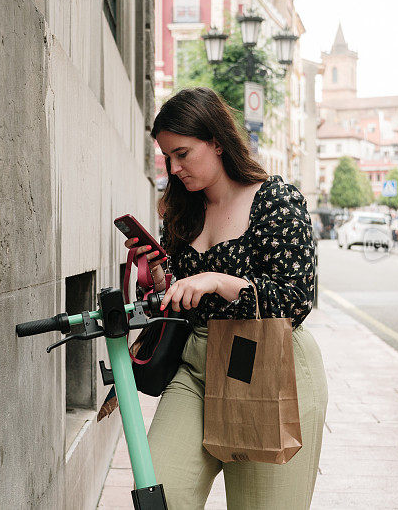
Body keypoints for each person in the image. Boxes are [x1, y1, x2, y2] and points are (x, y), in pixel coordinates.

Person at [125, 87, 328, 509]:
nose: (175, 168)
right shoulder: (184, 210)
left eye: (183, 153)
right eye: (168, 157)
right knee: (161, 494)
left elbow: (295, 300)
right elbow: (181, 296)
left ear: (217, 142)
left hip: (270, 364)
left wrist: (218, 280)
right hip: (198, 364)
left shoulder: (275, 201)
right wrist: (163, 278)